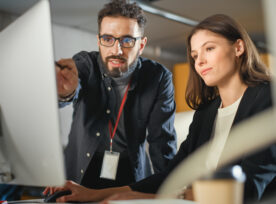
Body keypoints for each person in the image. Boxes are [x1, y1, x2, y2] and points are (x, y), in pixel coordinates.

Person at [44, 14, 276, 203]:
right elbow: (172, 175)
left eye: (209, 49)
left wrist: (145, 198)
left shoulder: (268, 99)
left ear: (238, 48)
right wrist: (95, 194)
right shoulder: (206, 113)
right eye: (195, 55)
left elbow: (249, 189)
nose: (199, 61)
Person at [52, 0, 177, 190]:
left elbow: (162, 143)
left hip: (131, 174)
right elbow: (71, 90)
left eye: (127, 40)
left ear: (141, 45)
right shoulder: (85, 64)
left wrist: (172, 190)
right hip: (81, 172)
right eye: (108, 39)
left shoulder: (158, 78)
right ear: (99, 41)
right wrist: (64, 92)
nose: (116, 50)